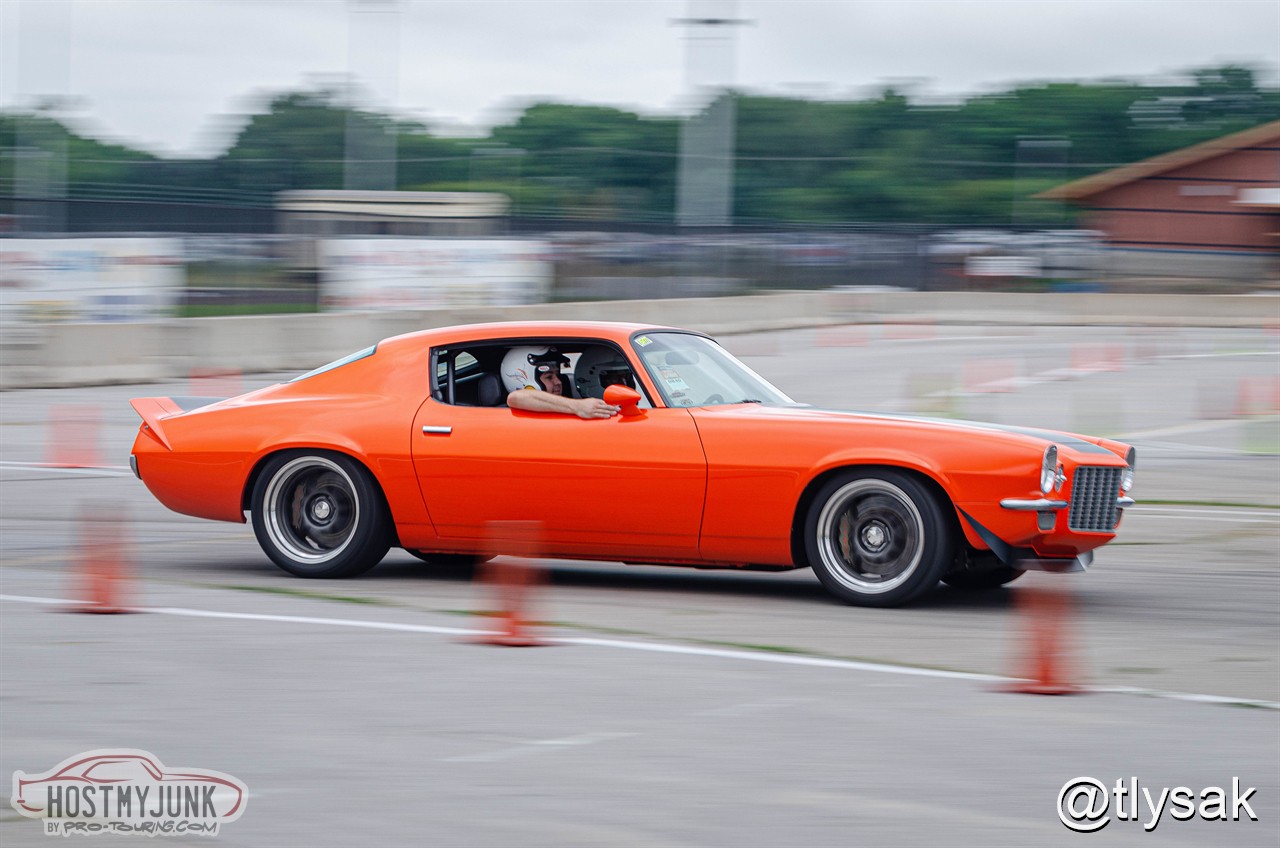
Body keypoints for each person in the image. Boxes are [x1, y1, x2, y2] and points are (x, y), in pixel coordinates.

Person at [501, 346, 620, 419]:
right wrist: (578, 406)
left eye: (557, 375)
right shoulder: (517, 405)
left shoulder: (560, 405)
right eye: (549, 377)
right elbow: (516, 397)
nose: (558, 382)